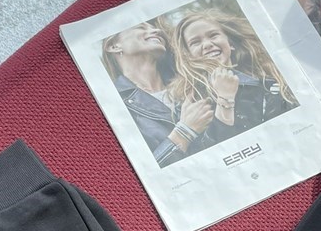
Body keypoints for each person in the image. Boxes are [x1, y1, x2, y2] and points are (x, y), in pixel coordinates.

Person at [168, 9, 297, 144]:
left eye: (213, 35)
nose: (207, 44)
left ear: (230, 43)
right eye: (195, 42)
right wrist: (225, 98)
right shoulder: (188, 100)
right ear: (188, 55)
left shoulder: (270, 79)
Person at [101, 22, 213, 166]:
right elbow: (142, 170)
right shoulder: (112, 106)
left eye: (153, 27)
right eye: (141, 27)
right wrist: (184, 132)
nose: (157, 30)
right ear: (114, 46)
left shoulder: (193, 83)